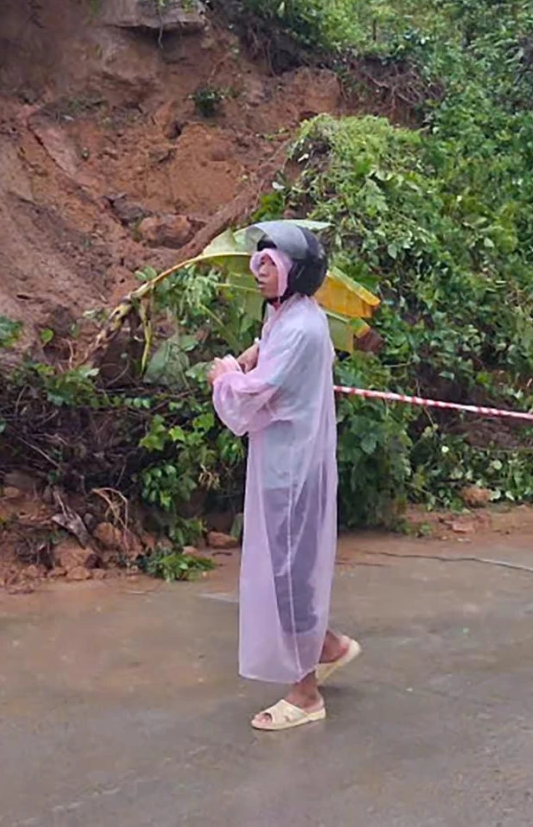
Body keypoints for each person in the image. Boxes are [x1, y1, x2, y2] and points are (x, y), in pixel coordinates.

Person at [207, 222, 360, 731]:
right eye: (259, 263)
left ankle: (306, 693)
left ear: (296, 271)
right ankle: (329, 645)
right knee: (288, 567)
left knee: (288, 575)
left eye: (269, 265)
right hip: (283, 460)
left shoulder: (298, 328)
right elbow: (274, 359)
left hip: (290, 469)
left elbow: (253, 395)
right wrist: (252, 353)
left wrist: (226, 376)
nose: (259, 272)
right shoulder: (290, 316)